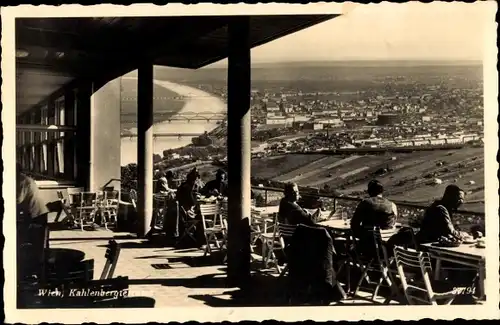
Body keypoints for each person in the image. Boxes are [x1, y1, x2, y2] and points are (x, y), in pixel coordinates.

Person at [16, 163, 49, 281]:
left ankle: (35, 274)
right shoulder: (22, 179)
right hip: (35, 214)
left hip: (37, 216)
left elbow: (18, 199)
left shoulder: (21, 180)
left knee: (35, 245)